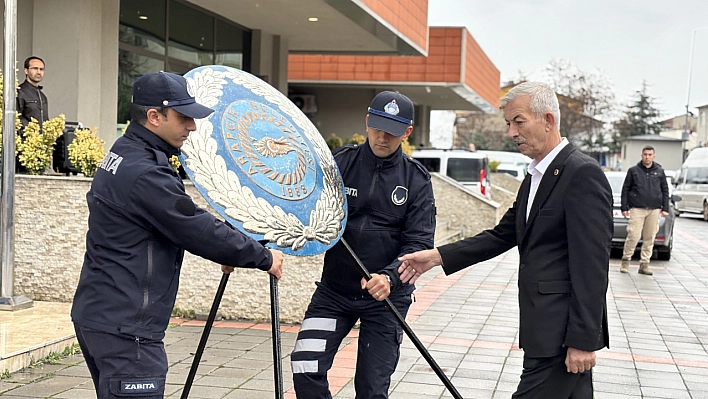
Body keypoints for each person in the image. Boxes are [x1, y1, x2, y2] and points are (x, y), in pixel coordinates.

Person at [71, 71, 284, 399]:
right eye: (184, 117)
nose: (192, 126)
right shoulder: (145, 172)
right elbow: (195, 227)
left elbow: (172, 221)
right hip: (127, 330)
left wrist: (229, 249)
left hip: (101, 314)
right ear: (154, 116)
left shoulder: (124, 153)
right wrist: (263, 256)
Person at [398, 82, 612, 399]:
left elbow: (592, 266)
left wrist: (583, 339)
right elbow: (502, 234)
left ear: (548, 120)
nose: (512, 132)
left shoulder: (581, 174)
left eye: (519, 121)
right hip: (543, 328)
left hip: (560, 336)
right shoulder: (536, 176)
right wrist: (436, 257)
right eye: (508, 123)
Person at [291, 91, 436, 399]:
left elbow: (419, 243)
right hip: (334, 292)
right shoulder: (340, 163)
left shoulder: (416, 180)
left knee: (372, 389)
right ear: (368, 121)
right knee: (305, 365)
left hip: (386, 300)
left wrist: (391, 277)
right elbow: (302, 207)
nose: (383, 136)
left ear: (407, 132)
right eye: (378, 126)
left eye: (393, 131)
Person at [620, 145, 669, 275]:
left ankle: (644, 264)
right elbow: (626, 189)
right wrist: (624, 207)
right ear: (642, 155)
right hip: (637, 208)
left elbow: (665, 190)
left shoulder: (659, 171)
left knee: (650, 237)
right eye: (645, 154)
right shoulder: (634, 171)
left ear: (654, 156)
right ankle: (626, 260)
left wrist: (665, 207)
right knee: (633, 235)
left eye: (650, 155)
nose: (647, 157)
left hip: (654, 209)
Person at [17, 56, 49, 128]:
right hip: (26, 137)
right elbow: (17, 119)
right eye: (35, 68)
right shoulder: (19, 92)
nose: (38, 72)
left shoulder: (42, 96)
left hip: (41, 138)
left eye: (41, 69)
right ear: (26, 71)